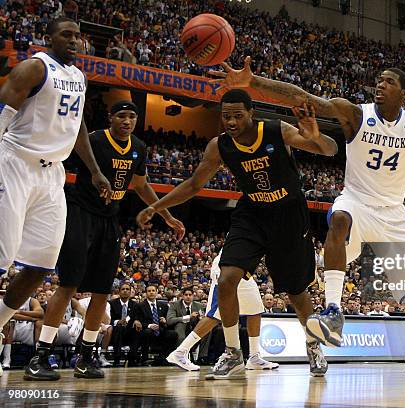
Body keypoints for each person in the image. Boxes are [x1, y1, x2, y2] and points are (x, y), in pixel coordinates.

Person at [209, 57, 405, 378]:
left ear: (404, 95)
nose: (380, 85)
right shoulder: (355, 113)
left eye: (389, 82)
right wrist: (252, 83)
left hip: (394, 214)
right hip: (356, 201)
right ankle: (334, 310)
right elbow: (303, 98)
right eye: (378, 80)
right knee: (339, 217)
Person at [137, 89, 338, 378]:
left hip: (289, 215)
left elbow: (329, 149)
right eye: (226, 116)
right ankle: (233, 353)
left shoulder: (275, 130)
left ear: (250, 114)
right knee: (227, 277)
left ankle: (314, 346)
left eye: (237, 115)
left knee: (296, 293)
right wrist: (156, 206)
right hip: (252, 213)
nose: (231, 121)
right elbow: (194, 185)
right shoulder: (219, 146)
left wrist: (314, 134)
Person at [23, 100, 184, 381]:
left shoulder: (139, 148)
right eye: (121, 115)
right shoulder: (95, 140)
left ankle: (86, 356)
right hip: (81, 212)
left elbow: (141, 185)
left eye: (132, 117)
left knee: (102, 290)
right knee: (69, 284)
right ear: (110, 117)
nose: (127, 121)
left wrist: (166, 216)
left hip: (110, 219)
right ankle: (41, 355)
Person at [0, 17, 112, 377]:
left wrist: (93, 169)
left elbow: (76, 124)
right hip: (16, 163)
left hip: (53, 175)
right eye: (67, 35)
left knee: (41, 267)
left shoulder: (78, 77)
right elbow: (3, 110)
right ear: (48, 38)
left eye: (78, 36)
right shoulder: (34, 67)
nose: (75, 41)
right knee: (2, 259)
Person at [165, 251, 279, 372]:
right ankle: (180, 352)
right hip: (227, 265)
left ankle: (254, 357)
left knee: (255, 309)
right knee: (215, 315)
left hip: (245, 270)